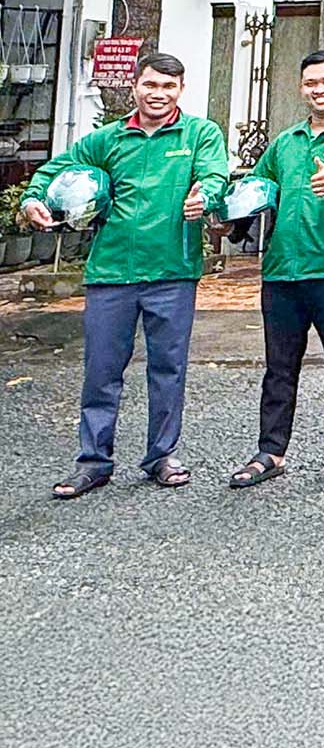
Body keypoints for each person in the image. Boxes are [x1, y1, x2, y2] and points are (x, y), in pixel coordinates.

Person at [23, 52, 229, 499]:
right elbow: (56, 168)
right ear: (135, 86)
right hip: (111, 272)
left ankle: (161, 457)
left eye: (169, 87)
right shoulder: (108, 138)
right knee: (101, 370)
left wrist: (206, 195)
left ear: (181, 90)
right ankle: (93, 462)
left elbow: (215, 175)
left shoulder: (200, 134)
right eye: (150, 85)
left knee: (168, 368)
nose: (159, 94)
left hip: (173, 271)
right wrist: (33, 198)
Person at [226, 50, 324, 491]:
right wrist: (227, 215)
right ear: (301, 88)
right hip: (282, 272)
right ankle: (270, 452)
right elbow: (256, 188)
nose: (320, 89)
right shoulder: (285, 142)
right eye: (312, 82)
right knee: (279, 368)